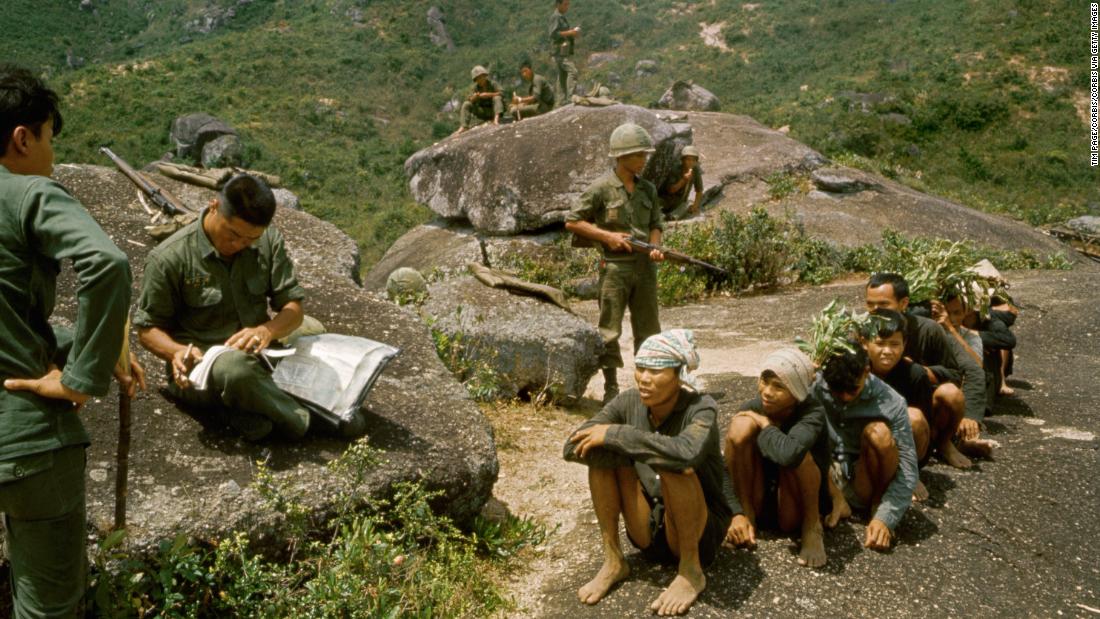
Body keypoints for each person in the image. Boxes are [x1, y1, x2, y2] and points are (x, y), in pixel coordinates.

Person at [0, 64, 143, 618]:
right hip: (27, 443)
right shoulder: (28, 192)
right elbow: (106, 264)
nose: (52, 155)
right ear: (23, 137)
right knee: (48, 607)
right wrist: (83, 373)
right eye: (50, 140)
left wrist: (95, 350)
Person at [135, 174, 362, 441]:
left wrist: (266, 331)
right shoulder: (169, 258)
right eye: (233, 234)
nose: (239, 244)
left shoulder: (268, 242)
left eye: (250, 239)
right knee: (234, 369)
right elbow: (147, 329)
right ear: (214, 206)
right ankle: (306, 421)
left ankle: (245, 412)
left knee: (315, 332)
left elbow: (293, 307)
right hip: (204, 368)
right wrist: (175, 352)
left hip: (262, 354)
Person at [563, 330, 734, 616]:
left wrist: (619, 435)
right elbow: (572, 446)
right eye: (640, 369)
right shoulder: (627, 401)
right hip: (649, 528)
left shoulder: (701, 408)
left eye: (655, 371)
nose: (644, 378)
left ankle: (691, 571)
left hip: (698, 533)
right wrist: (616, 442)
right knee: (598, 454)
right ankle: (614, 560)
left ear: (678, 374)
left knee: (674, 463)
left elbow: (686, 453)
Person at [564, 122, 665, 404]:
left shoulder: (648, 190)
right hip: (614, 268)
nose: (644, 160)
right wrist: (606, 236)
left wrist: (655, 247)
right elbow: (573, 221)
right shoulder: (601, 188)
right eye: (638, 155)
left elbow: (656, 223)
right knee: (610, 329)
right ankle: (611, 388)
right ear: (622, 157)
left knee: (649, 329)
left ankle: (650, 386)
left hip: (645, 268)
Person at [864, 273, 987, 462]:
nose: (875, 311)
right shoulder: (861, 332)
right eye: (870, 305)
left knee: (951, 394)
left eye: (883, 305)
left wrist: (919, 370)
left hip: (921, 402)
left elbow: (955, 374)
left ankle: (944, 443)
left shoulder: (927, 329)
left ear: (904, 303)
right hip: (877, 403)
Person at [723, 348, 829, 567]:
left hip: (792, 503)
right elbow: (723, 464)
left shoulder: (812, 411)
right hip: (760, 495)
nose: (767, 392)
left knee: (801, 454)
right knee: (740, 426)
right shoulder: (753, 407)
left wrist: (765, 425)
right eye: (765, 381)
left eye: (779, 387)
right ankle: (747, 516)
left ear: (797, 392)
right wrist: (736, 512)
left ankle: (812, 527)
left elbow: (789, 456)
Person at [817, 342, 919, 551]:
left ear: (867, 371)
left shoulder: (891, 401)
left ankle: (875, 504)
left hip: (862, 477)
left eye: (852, 390)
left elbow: (908, 469)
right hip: (824, 475)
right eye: (837, 391)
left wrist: (886, 517)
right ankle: (836, 501)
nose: (845, 396)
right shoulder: (815, 384)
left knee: (879, 433)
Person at [863, 309, 937, 501]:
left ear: (904, 345)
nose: (887, 351)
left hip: (903, 440)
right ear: (865, 343)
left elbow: (925, 430)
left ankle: (908, 474)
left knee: (915, 417)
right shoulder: (857, 371)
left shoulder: (915, 374)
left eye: (894, 344)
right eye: (879, 343)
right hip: (868, 437)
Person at [658, 145, 704, 220]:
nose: (691, 162)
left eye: (693, 160)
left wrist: (695, 206)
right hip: (666, 199)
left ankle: (671, 217)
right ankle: (661, 216)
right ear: (683, 160)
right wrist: (684, 180)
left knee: (688, 204)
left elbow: (699, 190)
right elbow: (671, 190)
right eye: (688, 160)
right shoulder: (675, 169)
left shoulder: (695, 170)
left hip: (679, 202)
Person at [548, 0, 580, 106]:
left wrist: (572, 33)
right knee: (573, 71)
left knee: (562, 76)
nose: (567, 7)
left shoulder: (561, 16)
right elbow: (553, 34)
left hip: (563, 51)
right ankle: (571, 98)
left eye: (568, 4)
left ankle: (560, 102)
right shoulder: (556, 17)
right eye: (565, 4)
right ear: (558, 4)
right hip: (559, 52)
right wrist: (570, 32)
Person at [455, 66, 503, 134]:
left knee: (497, 98)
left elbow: (502, 93)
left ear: (485, 76)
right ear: (476, 80)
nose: (480, 79)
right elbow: (469, 99)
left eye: (481, 77)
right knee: (466, 104)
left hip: (494, 110)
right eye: (478, 78)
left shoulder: (493, 84)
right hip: (483, 111)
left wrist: (488, 95)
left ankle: (496, 120)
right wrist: (474, 98)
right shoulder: (475, 88)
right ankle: (464, 126)